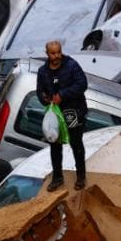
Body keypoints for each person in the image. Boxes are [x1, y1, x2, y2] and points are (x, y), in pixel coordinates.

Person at [36, 40, 88, 191]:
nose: (57, 56)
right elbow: (39, 90)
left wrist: (63, 95)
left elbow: (82, 84)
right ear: (47, 54)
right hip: (55, 115)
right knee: (55, 145)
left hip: (74, 112)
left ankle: (81, 176)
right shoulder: (43, 71)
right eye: (53, 53)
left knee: (76, 144)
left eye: (58, 52)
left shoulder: (71, 65)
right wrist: (44, 99)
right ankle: (57, 178)